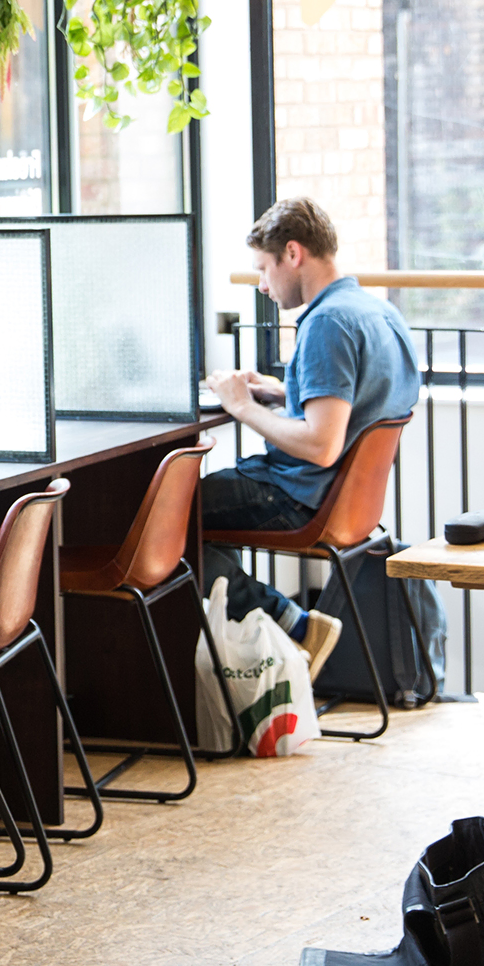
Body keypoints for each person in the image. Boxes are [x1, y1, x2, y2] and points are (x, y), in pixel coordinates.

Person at [198, 198, 421, 679]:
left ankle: (292, 626)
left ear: (293, 254)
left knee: (165, 515)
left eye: (263, 268)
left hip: (299, 497)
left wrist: (242, 407)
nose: (261, 284)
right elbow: (361, 407)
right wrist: (281, 392)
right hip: (347, 501)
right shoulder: (376, 312)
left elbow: (322, 445)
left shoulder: (325, 323)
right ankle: (260, 653)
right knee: (187, 523)